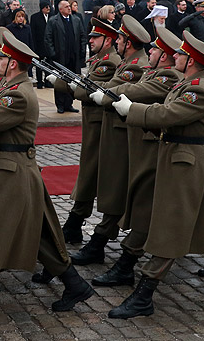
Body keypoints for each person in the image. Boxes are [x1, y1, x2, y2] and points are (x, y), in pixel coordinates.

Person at [0, 30, 94, 331]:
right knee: (40, 233)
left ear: (12, 64)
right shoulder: (7, 87)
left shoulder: (17, 94)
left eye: (0, 57)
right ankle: (75, 284)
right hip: (4, 166)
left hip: (11, 171)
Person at [108, 31, 204, 318]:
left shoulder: (199, 89)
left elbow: (169, 115)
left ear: (191, 60)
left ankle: (144, 295)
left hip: (188, 166)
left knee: (171, 227)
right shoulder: (187, 83)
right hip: (184, 161)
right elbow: (171, 121)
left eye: (179, 54)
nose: (173, 57)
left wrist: (133, 110)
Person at [89, 24, 183, 288]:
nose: (149, 52)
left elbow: (135, 91)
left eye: (154, 50)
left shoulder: (169, 77)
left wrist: (112, 93)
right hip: (150, 150)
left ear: (162, 55)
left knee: (147, 208)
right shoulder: (156, 72)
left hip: (158, 152)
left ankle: (127, 266)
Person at [71, 15, 150, 267]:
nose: (117, 42)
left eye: (120, 39)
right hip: (112, 130)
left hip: (120, 134)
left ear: (129, 43)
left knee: (116, 187)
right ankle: (96, 239)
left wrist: (79, 87)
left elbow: (105, 94)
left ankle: (100, 242)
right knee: (112, 185)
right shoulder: (128, 62)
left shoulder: (134, 66)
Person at [54, 19, 119, 244]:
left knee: (93, 174)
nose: (90, 41)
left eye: (95, 38)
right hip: (94, 124)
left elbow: (86, 91)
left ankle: (77, 222)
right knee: (88, 173)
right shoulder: (100, 59)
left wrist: (68, 85)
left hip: (102, 126)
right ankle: (75, 222)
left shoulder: (109, 61)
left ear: (107, 40)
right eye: (90, 37)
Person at [44, 0, 85, 114]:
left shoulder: (76, 20)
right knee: (60, 81)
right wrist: (52, 54)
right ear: (60, 9)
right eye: (67, 6)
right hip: (60, 57)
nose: (69, 8)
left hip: (73, 56)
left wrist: (82, 52)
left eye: (69, 6)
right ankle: (60, 104)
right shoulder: (53, 21)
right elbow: (48, 39)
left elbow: (82, 36)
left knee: (72, 81)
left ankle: (69, 103)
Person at [30, 0, 52, 88]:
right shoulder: (35, 17)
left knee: (48, 65)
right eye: (46, 7)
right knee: (39, 65)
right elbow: (33, 32)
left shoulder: (52, 16)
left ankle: (47, 81)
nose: (48, 8)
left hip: (48, 45)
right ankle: (39, 81)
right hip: (39, 45)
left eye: (49, 7)